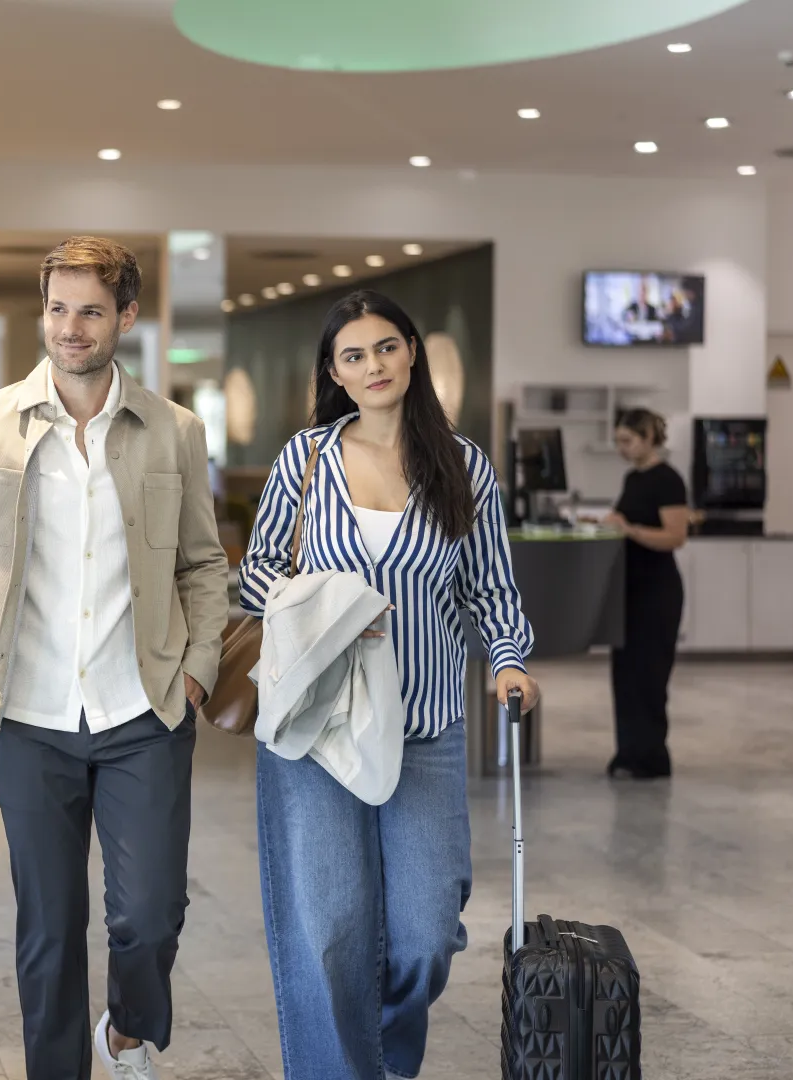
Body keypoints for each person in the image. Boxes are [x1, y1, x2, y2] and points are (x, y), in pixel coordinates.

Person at [0, 236, 228, 1080]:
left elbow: (202, 562)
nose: (70, 327)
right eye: (57, 308)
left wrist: (196, 668)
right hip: (27, 712)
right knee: (48, 931)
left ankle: (126, 1035)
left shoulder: (175, 432)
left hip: (143, 709)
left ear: (125, 315)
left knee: (150, 917)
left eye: (90, 310)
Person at [238, 290, 539, 1080]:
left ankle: (378, 1058)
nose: (371, 366)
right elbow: (259, 573)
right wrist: (324, 610)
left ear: (411, 353)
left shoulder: (462, 465)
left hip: (424, 722)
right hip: (318, 726)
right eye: (352, 356)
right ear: (332, 374)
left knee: (423, 933)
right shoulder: (302, 461)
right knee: (330, 928)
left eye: (384, 348)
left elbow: (488, 590)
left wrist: (506, 658)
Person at [603, 409, 689, 779]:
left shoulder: (667, 480)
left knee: (649, 676)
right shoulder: (632, 478)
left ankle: (652, 757)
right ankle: (627, 753)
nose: (622, 448)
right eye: (618, 441)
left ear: (649, 438)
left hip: (658, 592)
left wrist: (631, 530)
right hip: (631, 591)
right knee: (625, 675)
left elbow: (675, 536)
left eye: (628, 440)